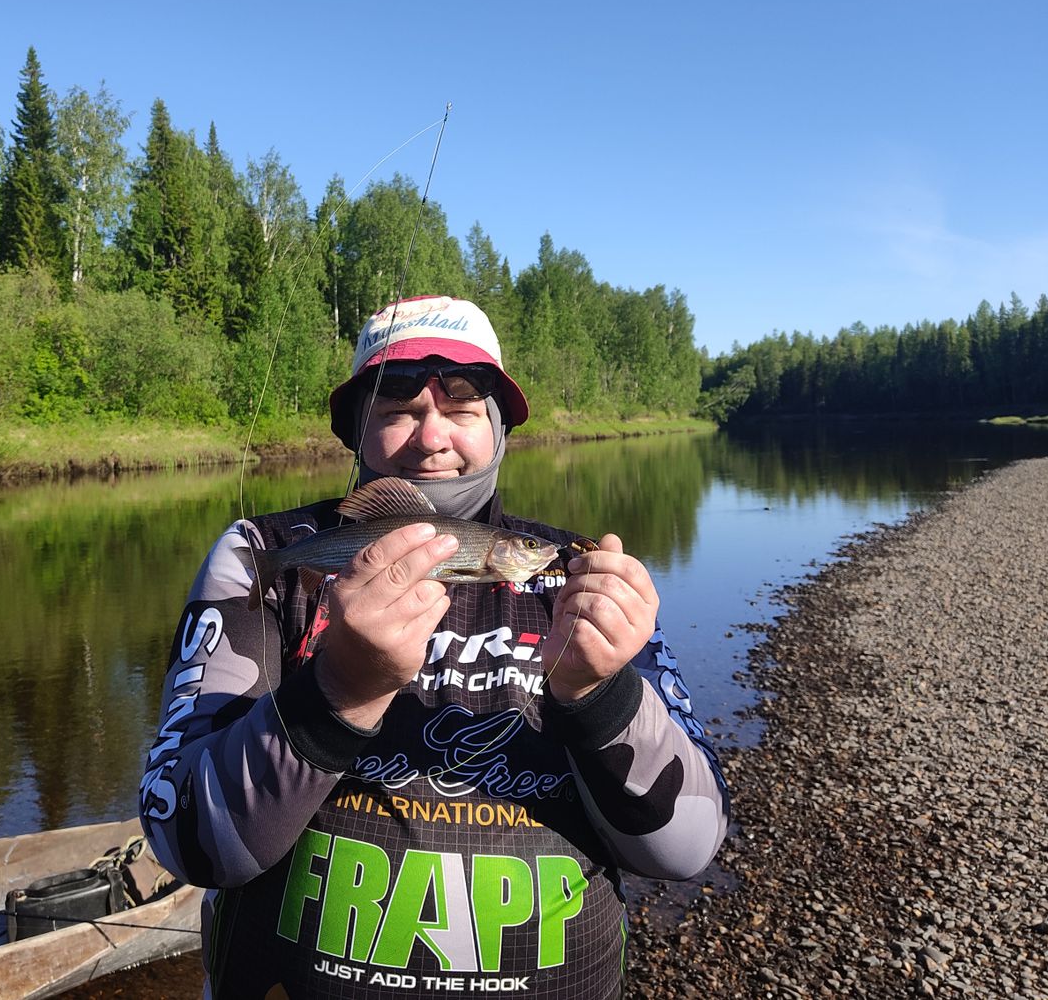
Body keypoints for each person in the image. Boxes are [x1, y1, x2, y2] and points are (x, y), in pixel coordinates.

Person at [140, 295, 729, 999]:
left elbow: (689, 848)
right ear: (354, 429)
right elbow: (184, 839)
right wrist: (340, 690)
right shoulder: (265, 556)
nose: (430, 436)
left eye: (461, 405)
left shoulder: (575, 579)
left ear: (500, 427)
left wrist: (601, 694)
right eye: (396, 407)